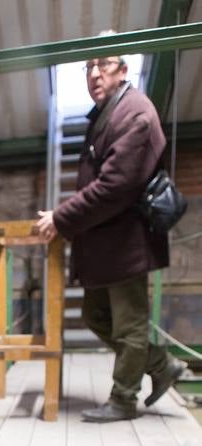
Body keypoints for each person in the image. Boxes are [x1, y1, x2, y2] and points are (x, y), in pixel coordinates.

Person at [36, 48, 185, 422]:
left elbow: (115, 185)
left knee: (129, 323)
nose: (94, 74)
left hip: (127, 242)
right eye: (88, 67)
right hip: (107, 244)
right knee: (95, 315)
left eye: (103, 65)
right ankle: (161, 364)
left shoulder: (135, 111)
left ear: (123, 69)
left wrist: (61, 217)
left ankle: (123, 399)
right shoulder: (109, 111)